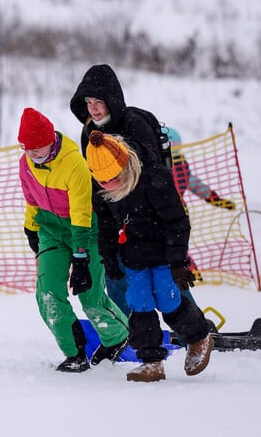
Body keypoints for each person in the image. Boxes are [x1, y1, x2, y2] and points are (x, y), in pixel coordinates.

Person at [86, 130, 215, 382]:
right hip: (134, 255)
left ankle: (199, 337)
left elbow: (177, 222)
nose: (107, 185)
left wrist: (178, 262)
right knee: (139, 303)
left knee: (168, 301)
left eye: (113, 179)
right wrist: (109, 259)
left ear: (124, 166)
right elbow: (106, 225)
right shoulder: (100, 187)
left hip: (164, 253)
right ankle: (151, 362)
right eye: (102, 181)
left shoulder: (155, 177)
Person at [17, 107, 129, 373]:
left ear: (50, 141)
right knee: (47, 294)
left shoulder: (74, 163)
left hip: (84, 230)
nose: (33, 155)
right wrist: (30, 229)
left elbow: (81, 213)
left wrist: (81, 257)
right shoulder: (26, 163)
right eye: (28, 150)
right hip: (50, 229)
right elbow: (32, 200)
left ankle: (118, 336)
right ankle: (75, 353)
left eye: (37, 149)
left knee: (90, 296)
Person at [69, 64, 174, 315]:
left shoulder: (135, 124)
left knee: (164, 280)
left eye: (99, 101)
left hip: (149, 215)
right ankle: (130, 329)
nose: (93, 108)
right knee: (115, 277)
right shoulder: (89, 131)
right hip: (113, 216)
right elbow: (96, 180)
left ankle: (192, 330)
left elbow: (155, 175)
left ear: (112, 100)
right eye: (88, 102)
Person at [164, 126, 235, 211]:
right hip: (176, 209)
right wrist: (215, 199)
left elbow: (196, 185)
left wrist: (216, 200)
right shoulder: (181, 167)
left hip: (168, 209)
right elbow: (197, 186)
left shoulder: (179, 167)